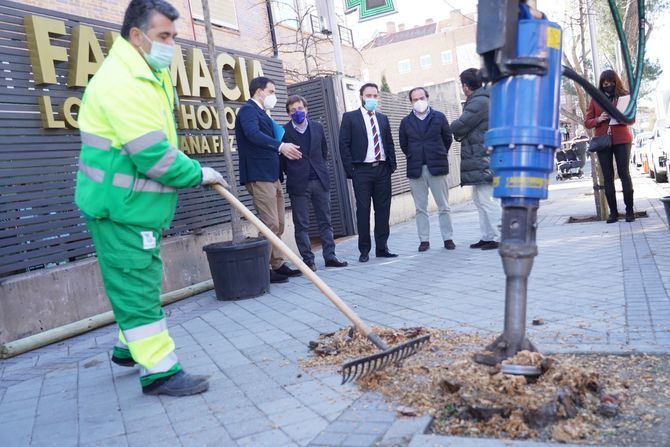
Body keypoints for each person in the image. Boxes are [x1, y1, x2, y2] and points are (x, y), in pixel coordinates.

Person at [75, 0, 228, 396]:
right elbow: (153, 156)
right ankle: (160, 371)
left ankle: (128, 349)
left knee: (137, 279)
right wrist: (198, 172)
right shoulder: (123, 82)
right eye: (164, 36)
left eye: (173, 37)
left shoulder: (144, 71)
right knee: (137, 285)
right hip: (121, 208)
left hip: (135, 206)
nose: (170, 45)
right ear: (136, 35)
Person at [235, 76, 303, 282]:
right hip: (258, 174)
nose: (274, 96)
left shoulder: (262, 113)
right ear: (259, 91)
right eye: (271, 92)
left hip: (272, 175)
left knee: (279, 223)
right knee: (269, 223)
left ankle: (278, 264)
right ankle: (262, 269)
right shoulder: (248, 110)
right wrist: (280, 146)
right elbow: (252, 134)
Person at [280, 95, 348, 271]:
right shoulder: (283, 132)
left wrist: (318, 170)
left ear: (306, 109)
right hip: (298, 184)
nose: (298, 112)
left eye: (300, 108)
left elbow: (323, 152)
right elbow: (283, 161)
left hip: (319, 180)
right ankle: (308, 260)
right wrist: (295, 172)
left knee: (325, 220)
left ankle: (330, 256)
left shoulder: (317, 127)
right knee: (301, 224)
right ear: (289, 114)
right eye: (293, 110)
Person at [339, 83, 398, 263]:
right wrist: (352, 170)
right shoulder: (350, 118)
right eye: (368, 95)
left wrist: (391, 166)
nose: (371, 99)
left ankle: (382, 247)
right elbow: (344, 145)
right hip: (361, 171)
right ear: (361, 97)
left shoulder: (383, 118)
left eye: (374, 95)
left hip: (382, 169)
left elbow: (389, 143)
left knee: (383, 209)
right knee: (363, 210)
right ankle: (364, 250)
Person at [399, 87, 455, 252]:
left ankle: (448, 238)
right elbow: (404, 144)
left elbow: (447, 139)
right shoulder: (406, 122)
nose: (418, 102)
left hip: (437, 167)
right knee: (420, 208)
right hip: (416, 169)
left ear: (427, 98)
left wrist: (439, 153)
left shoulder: (439, 117)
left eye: (421, 98)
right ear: (411, 102)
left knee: (443, 206)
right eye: (415, 99)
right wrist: (414, 154)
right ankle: (424, 240)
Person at [451, 68, 501, 251]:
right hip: (481, 156)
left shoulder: (479, 102)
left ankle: (499, 236)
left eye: (461, 84)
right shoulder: (481, 99)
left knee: (487, 200)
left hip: (483, 158)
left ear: (466, 86)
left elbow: (460, 125)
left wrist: (451, 127)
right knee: (480, 200)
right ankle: (488, 236)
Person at [584, 69, 635, 223]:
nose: (609, 86)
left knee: (624, 174)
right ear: (601, 84)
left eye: (612, 83)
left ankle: (629, 212)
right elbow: (587, 122)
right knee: (608, 177)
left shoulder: (624, 96)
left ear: (616, 82)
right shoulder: (595, 98)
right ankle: (613, 213)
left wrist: (620, 117)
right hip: (603, 141)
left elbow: (632, 120)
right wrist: (599, 119)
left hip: (622, 140)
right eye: (605, 84)